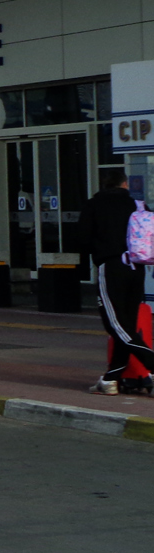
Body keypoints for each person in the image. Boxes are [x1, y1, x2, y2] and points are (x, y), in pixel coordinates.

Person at [76, 169, 154, 395]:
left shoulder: (94, 205)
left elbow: (82, 239)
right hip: (137, 267)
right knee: (126, 324)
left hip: (111, 266)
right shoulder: (138, 205)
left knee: (115, 324)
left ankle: (151, 363)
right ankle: (111, 378)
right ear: (125, 184)